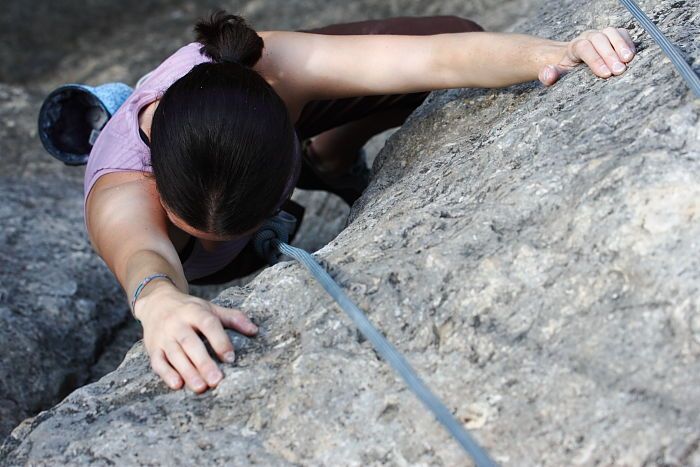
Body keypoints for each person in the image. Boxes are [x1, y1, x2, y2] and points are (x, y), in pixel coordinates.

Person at [84, 10, 636, 394]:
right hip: (210, 153)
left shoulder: (273, 69)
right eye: (195, 231)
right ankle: (111, 107)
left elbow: (439, 58)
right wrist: (158, 302)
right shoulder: (122, 189)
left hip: (256, 116)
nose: (208, 239)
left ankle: (326, 155)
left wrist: (557, 52)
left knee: (456, 35)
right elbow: (143, 258)